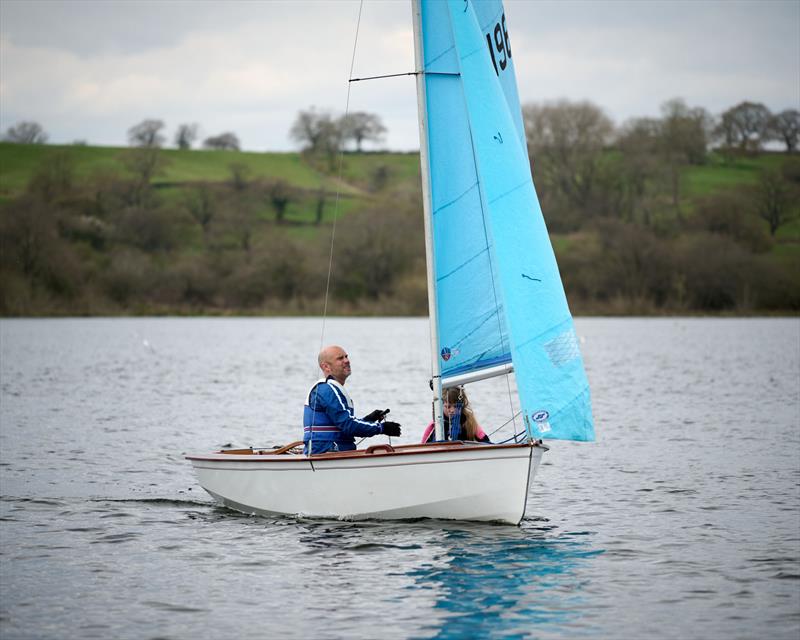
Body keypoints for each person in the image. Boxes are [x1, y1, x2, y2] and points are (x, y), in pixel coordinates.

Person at [303, 345, 401, 455]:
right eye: (340, 358)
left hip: (335, 452)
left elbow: (346, 427)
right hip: (326, 454)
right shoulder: (327, 390)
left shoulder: (332, 389)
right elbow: (348, 425)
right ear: (326, 367)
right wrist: (382, 428)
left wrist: (369, 420)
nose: (347, 361)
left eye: (346, 357)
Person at [421, 386, 490, 444]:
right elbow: (422, 446)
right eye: (448, 406)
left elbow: (486, 441)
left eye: (456, 406)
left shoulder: (469, 422)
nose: (452, 410)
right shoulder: (435, 424)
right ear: (441, 406)